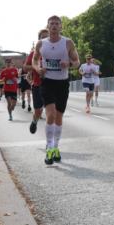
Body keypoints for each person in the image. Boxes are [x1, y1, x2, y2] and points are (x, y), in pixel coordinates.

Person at [33, 16, 78, 164]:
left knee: (58, 117)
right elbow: (35, 60)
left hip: (62, 83)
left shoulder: (68, 42)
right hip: (47, 82)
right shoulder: (41, 43)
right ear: (47, 26)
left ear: (61, 27)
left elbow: (77, 62)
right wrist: (38, 69)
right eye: (51, 23)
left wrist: (69, 64)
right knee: (50, 114)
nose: (54, 26)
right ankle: (49, 148)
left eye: (56, 24)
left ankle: (56, 146)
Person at [24, 29, 49, 135]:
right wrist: (37, 67)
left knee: (51, 111)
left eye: (47, 37)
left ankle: (51, 136)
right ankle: (34, 122)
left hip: (52, 84)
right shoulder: (34, 53)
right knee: (38, 110)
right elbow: (25, 67)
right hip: (38, 85)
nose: (45, 39)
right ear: (39, 39)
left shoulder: (54, 51)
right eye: (43, 37)